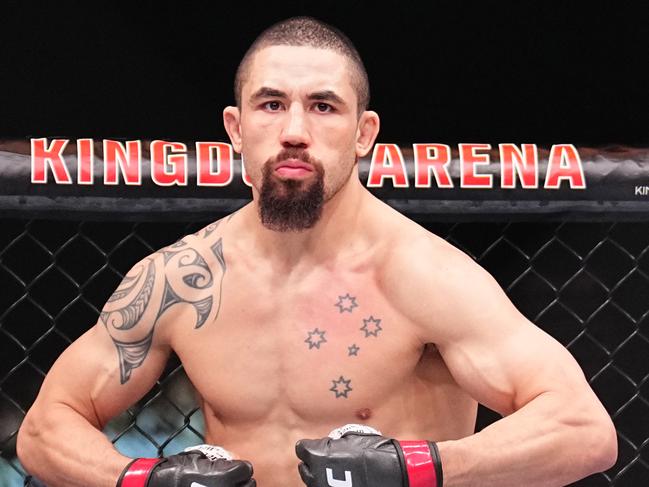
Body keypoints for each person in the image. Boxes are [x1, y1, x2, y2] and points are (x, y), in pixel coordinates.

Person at [17, 16, 617, 487]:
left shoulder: (420, 275)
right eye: (271, 104)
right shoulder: (180, 280)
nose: (295, 130)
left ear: (363, 133)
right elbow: (45, 431)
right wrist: (143, 478)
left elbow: (582, 429)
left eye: (323, 106)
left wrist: (416, 468)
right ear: (235, 126)